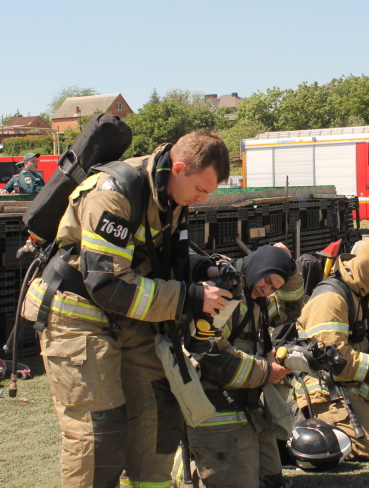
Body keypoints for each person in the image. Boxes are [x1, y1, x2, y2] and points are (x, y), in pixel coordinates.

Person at [21, 130, 231, 487]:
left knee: (159, 414)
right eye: (200, 190)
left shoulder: (171, 195)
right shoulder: (114, 193)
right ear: (178, 168)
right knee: (98, 432)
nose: (201, 199)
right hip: (78, 315)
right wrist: (190, 298)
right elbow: (108, 286)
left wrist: (204, 269)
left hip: (127, 315)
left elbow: (161, 255)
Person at [184, 243, 304, 488]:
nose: (267, 289)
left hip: (247, 404)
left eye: (274, 287)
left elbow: (288, 312)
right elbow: (209, 357)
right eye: (268, 281)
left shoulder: (253, 295)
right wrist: (266, 371)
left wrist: (289, 269)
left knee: (271, 480)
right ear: (258, 266)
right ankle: (187, 470)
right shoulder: (226, 292)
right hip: (216, 408)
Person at [293, 236, 369, 462]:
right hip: (324, 386)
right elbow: (334, 359)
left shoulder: (362, 289)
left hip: (350, 383)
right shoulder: (331, 300)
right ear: (367, 267)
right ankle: (303, 437)